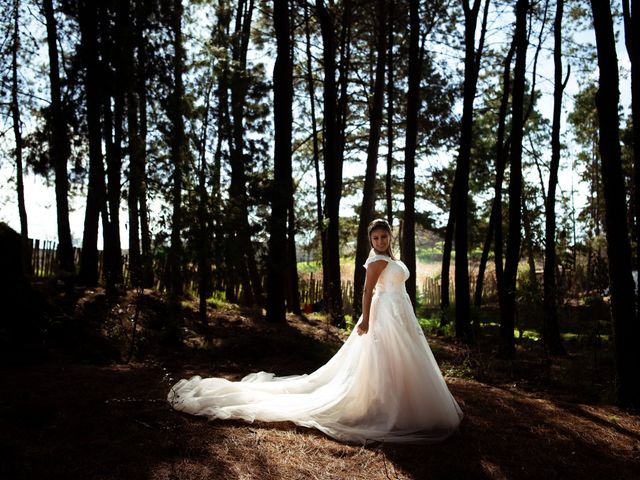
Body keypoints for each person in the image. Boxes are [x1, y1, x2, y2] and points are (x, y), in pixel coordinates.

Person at [168, 218, 463, 444]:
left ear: (390, 236)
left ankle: (400, 404)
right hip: (384, 314)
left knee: (402, 360)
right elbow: (367, 292)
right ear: (370, 240)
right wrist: (366, 320)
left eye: (384, 236)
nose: (380, 240)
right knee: (382, 359)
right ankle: (386, 408)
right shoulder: (375, 261)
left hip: (399, 311)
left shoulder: (391, 258)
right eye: (375, 237)